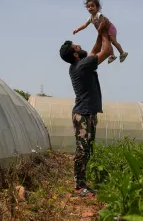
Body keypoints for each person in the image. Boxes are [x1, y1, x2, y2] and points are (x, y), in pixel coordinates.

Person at [59, 27, 113, 197]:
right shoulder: (83, 66)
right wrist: (106, 32)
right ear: (75, 54)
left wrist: (99, 32)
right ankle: (79, 185)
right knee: (82, 149)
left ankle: (82, 182)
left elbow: (96, 49)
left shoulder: (79, 64)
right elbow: (107, 50)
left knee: (87, 149)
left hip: (87, 113)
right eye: (76, 46)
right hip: (82, 114)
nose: (80, 46)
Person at [73, 0, 128, 64]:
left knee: (113, 40)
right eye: (88, 6)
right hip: (103, 30)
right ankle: (112, 55)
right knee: (106, 42)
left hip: (110, 28)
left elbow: (103, 22)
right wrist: (77, 29)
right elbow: (85, 25)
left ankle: (122, 53)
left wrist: (99, 28)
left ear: (97, 8)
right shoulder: (91, 18)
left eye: (92, 6)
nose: (90, 8)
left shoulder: (98, 15)